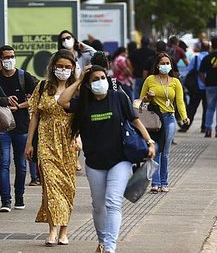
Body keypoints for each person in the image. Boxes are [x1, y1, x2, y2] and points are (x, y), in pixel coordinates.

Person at [57, 65, 155, 253]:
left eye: (103, 77)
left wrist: (149, 141)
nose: (101, 81)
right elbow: (62, 101)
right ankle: (102, 242)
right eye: (95, 79)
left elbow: (135, 120)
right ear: (87, 84)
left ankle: (110, 247)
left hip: (120, 160)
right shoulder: (83, 103)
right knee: (98, 205)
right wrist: (78, 80)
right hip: (94, 163)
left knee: (113, 202)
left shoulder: (118, 98)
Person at [24, 49, 78, 246]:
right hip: (46, 141)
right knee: (50, 187)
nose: (63, 70)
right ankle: (53, 229)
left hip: (68, 143)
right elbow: (35, 116)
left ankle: (65, 230)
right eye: (60, 66)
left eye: (67, 67)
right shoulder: (42, 87)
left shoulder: (77, 89)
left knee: (67, 187)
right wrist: (29, 143)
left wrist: (79, 137)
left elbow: (82, 117)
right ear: (53, 66)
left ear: (73, 69)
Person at [140, 52, 190, 193]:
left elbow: (180, 101)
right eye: (162, 63)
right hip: (154, 120)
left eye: (168, 63)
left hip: (169, 118)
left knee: (165, 152)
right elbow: (140, 100)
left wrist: (184, 117)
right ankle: (155, 183)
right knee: (156, 150)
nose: (165, 65)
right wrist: (147, 98)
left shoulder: (175, 82)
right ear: (157, 65)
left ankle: (164, 182)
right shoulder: (150, 79)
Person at [0, 45, 36, 212]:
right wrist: (4, 100)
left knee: (21, 165)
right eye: (6, 57)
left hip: (21, 127)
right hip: (2, 127)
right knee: (4, 163)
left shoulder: (23, 76)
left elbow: (36, 99)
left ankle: (19, 197)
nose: (10, 60)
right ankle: (6, 200)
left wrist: (20, 106)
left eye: (12, 56)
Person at [58, 30, 96, 171]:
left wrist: (84, 46)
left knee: (79, 127)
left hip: (82, 95)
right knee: (71, 127)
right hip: (68, 95)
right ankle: (72, 157)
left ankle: (76, 157)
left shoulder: (82, 56)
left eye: (68, 38)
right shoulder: (61, 57)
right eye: (63, 39)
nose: (66, 41)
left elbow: (97, 56)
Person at [179, 41, 210, 133]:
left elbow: (189, 70)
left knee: (192, 107)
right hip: (208, 87)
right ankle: (204, 127)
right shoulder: (210, 58)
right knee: (207, 108)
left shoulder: (196, 58)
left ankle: (185, 126)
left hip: (196, 87)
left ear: (200, 48)